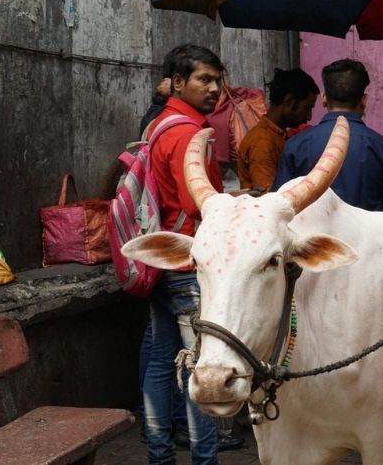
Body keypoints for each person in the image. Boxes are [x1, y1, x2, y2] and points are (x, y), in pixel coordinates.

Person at [141, 43, 226, 465]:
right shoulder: (189, 133)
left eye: (217, 80)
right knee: (200, 368)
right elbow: (197, 205)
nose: (214, 88)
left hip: (162, 256)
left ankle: (159, 457)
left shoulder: (161, 124)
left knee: (160, 361)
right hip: (189, 262)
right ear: (178, 82)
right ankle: (204, 460)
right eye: (203, 79)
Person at [272, 59, 383, 211]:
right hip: (365, 235)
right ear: (364, 100)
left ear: (323, 98)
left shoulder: (295, 146)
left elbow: (280, 206)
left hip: (311, 235)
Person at [237, 68, 319, 194]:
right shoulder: (263, 141)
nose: (309, 117)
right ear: (290, 102)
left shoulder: (278, 135)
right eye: (307, 108)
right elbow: (267, 196)